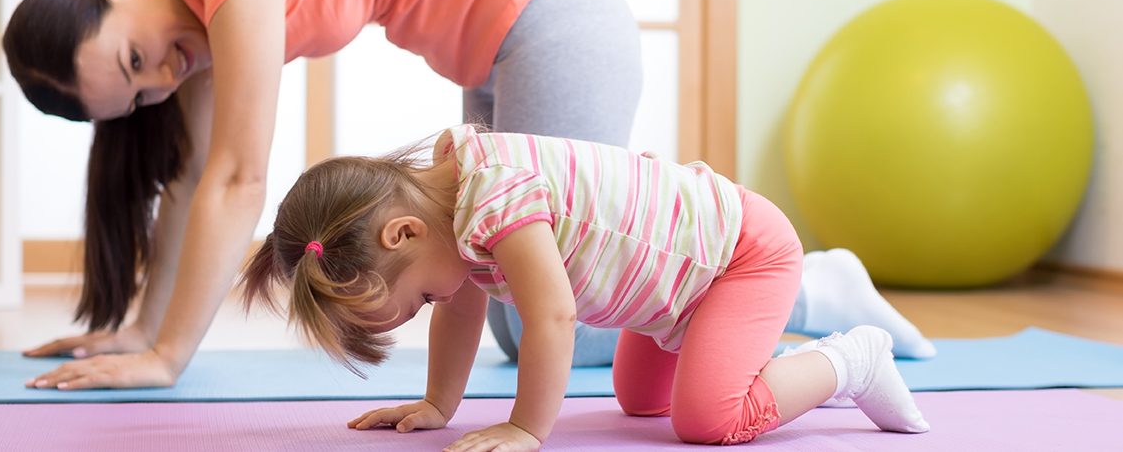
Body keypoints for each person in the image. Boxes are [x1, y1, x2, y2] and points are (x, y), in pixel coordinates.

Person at [5, 0, 929, 391]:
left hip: (554, 24)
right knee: (492, 299)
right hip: (500, 54)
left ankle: (799, 286)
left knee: (542, 319)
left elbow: (240, 176)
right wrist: (137, 327)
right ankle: (757, 286)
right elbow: (194, 175)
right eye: (139, 98)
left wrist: (171, 356)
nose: (164, 78)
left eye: (137, 59)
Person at [241, 125, 929, 449]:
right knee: (639, 402)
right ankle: (783, 321)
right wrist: (437, 402)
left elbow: (553, 316)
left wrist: (525, 426)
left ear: (402, 234)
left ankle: (852, 357)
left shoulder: (493, 195)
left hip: (738, 256)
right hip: (670, 289)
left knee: (708, 419)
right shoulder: (449, 215)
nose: (434, 303)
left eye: (417, 297)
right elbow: (461, 306)